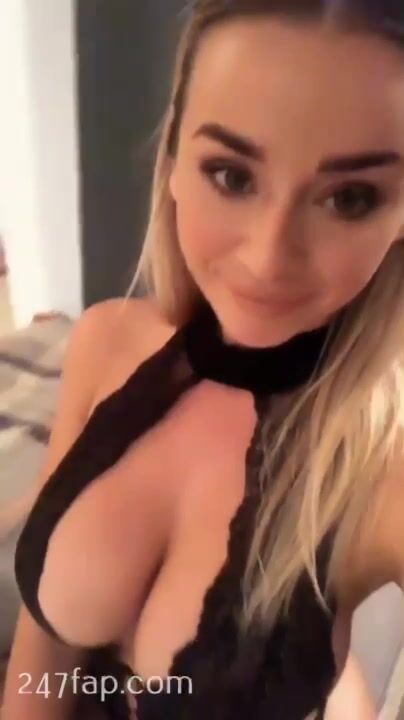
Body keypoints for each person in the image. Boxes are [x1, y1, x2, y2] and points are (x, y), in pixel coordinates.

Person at [3, 0, 404, 717]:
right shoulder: (104, 341)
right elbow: (44, 653)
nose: (268, 257)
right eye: (232, 175)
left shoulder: (385, 473)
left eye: (349, 198)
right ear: (173, 161)